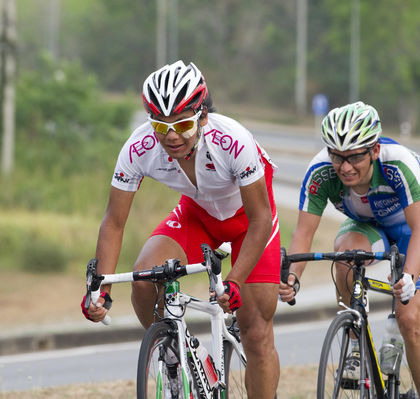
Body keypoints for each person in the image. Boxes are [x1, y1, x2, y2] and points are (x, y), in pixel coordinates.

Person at [83, 60, 281, 398]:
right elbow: (114, 222)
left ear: (203, 116)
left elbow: (261, 219)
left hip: (249, 223)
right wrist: (99, 288)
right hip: (197, 216)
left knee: (256, 330)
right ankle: (176, 348)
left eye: (183, 124)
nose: (172, 136)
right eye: (161, 126)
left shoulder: (232, 140)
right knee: (145, 277)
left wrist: (233, 280)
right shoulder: (139, 147)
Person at [279, 101, 420, 399]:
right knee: (344, 256)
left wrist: (409, 277)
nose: (345, 167)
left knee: (409, 319)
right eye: (337, 157)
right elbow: (303, 233)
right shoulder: (320, 172)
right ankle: (354, 340)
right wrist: (293, 277)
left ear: (374, 151)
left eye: (354, 157)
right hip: (367, 225)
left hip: (413, 227)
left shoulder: (398, 164)